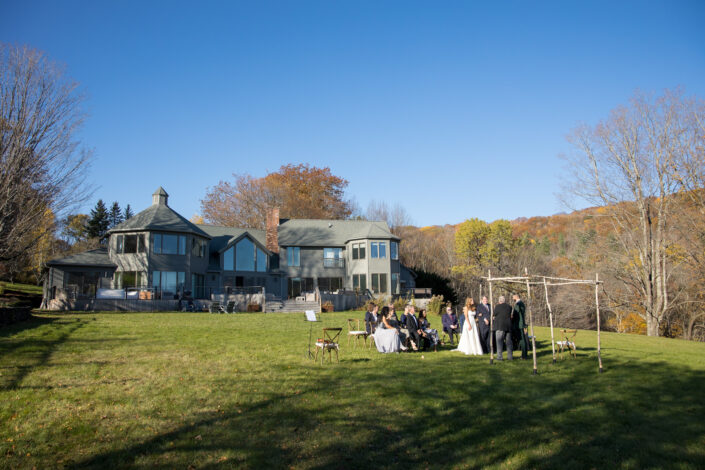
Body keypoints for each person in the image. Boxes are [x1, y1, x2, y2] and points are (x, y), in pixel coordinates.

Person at [492, 296, 514, 361]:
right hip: (508, 326)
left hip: (500, 326)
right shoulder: (509, 307)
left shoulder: (497, 307)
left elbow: (494, 314)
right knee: (509, 342)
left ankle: (499, 357)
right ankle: (510, 357)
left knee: (499, 342)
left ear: (499, 301)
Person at [512, 293, 529, 359]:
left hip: (519, 324)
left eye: (513, 297)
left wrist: (512, 317)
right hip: (521, 323)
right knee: (522, 339)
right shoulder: (521, 303)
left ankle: (524, 355)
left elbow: (516, 315)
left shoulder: (518, 304)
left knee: (522, 339)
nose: (512, 298)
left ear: (515, 297)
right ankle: (524, 354)